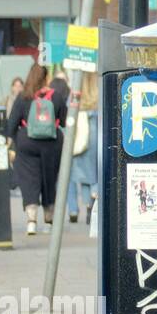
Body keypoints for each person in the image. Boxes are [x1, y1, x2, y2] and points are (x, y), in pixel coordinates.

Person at [7, 64, 66, 235]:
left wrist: (11, 143)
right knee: (49, 179)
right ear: (46, 78)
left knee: (29, 179)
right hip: (51, 143)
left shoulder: (23, 96)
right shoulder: (56, 97)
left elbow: (11, 124)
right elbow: (63, 121)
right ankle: (49, 218)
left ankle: (31, 220)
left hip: (27, 143)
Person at [67, 72, 99, 224]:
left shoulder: (77, 91)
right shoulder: (99, 90)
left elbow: (68, 108)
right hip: (97, 131)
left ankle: (87, 205)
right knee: (95, 173)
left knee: (83, 174)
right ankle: (92, 201)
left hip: (81, 134)